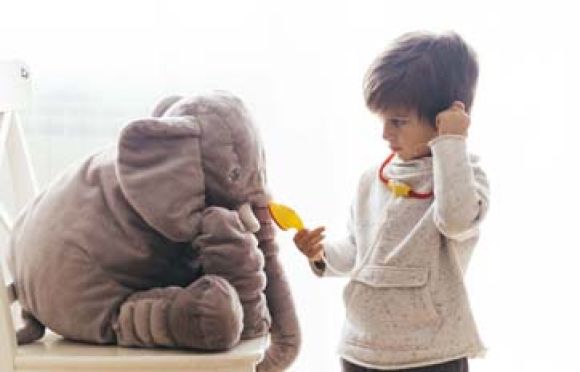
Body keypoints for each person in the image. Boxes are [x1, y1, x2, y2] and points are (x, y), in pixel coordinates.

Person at [293, 31, 489, 372]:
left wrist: (452, 141)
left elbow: (456, 221)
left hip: (432, 353)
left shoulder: (463, 174)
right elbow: (359, 253)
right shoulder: (372, 179)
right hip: (361, 349)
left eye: (398, 122)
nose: (385, 134)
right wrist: (320, 255)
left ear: (446, 116)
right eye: (382, 121)